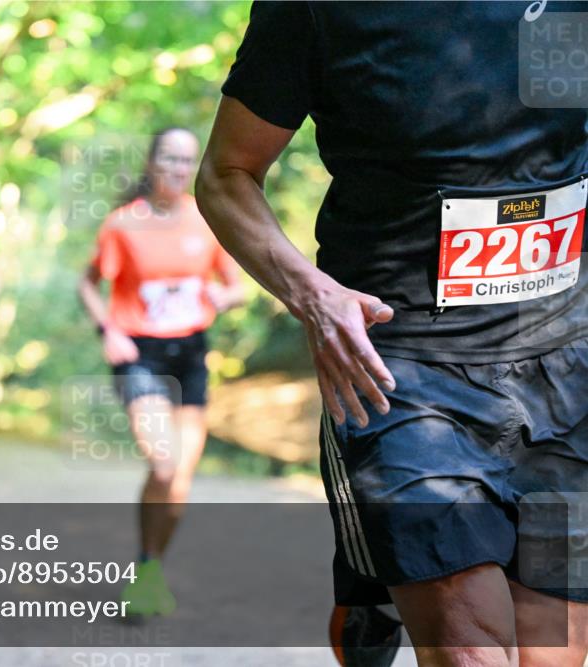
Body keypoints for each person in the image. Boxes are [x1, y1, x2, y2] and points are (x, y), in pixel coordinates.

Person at [197, 2, 587, 666]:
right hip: (400, 373)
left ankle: (372, 572)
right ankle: (382, 560)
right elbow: (227, 174)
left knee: (553, 654)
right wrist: (311, 294)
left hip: (563, 367)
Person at [78, 127, 246, 616]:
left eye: (186, 161)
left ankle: (149, 569)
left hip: (191, 355)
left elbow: (235, 286)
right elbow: (88, 285)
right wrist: (107, 329)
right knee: (164, 463)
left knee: (179, 485)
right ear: (151, 163)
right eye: (169, 159)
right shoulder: (122, 225)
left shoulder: (207, 219)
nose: (177, 169)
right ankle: (148, 569)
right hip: (141, 357)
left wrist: (223, 295)